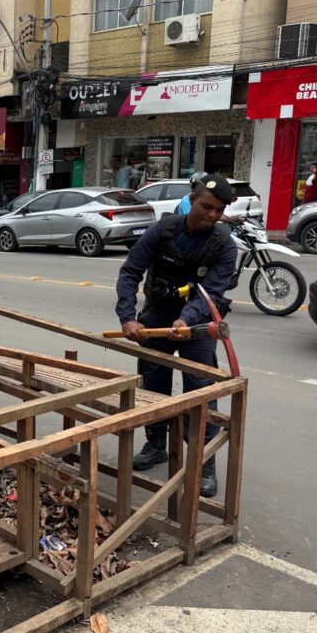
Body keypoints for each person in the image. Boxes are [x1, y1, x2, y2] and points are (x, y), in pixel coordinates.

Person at [115, 175, 238, 498]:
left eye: (219, 210)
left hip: (196, 327)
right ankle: (156, 444)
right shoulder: (162, 230)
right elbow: (130, 272)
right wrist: (128, 317)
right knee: (153, 386)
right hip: (156, 316)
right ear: (192, 200)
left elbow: (212, 291)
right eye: (206, 207)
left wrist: (186, 319)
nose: (211, 215)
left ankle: (204, 460)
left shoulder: (224, 244)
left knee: (200, 392)